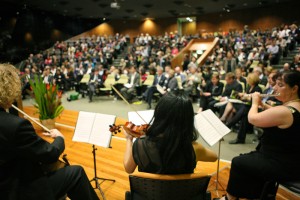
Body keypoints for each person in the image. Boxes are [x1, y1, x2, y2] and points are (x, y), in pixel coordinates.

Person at [0, 64, 99, 200]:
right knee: (76, 173)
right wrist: (59, 139)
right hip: (18, 191)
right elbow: (49, 154)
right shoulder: (15, 125)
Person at [222, 71, 300, 199]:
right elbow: (278, 114)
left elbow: (252, 119)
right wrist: (263, 105)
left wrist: (254, 103)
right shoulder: (294, 107)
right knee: (250, 159)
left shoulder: (286, 111)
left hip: (282, 163)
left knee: (238, 162)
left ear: (294, 88)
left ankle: (229, 198)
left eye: (280, 85)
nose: (274, 88)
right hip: (290, 159)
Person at [123, 91, 217, 174]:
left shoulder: (140, 145)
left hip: (150, 192)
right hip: (181, 193)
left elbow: (128, 169)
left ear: (158, 114)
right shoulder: (194, 148)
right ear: (188, 119)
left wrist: (129, 139)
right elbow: (214, 157)